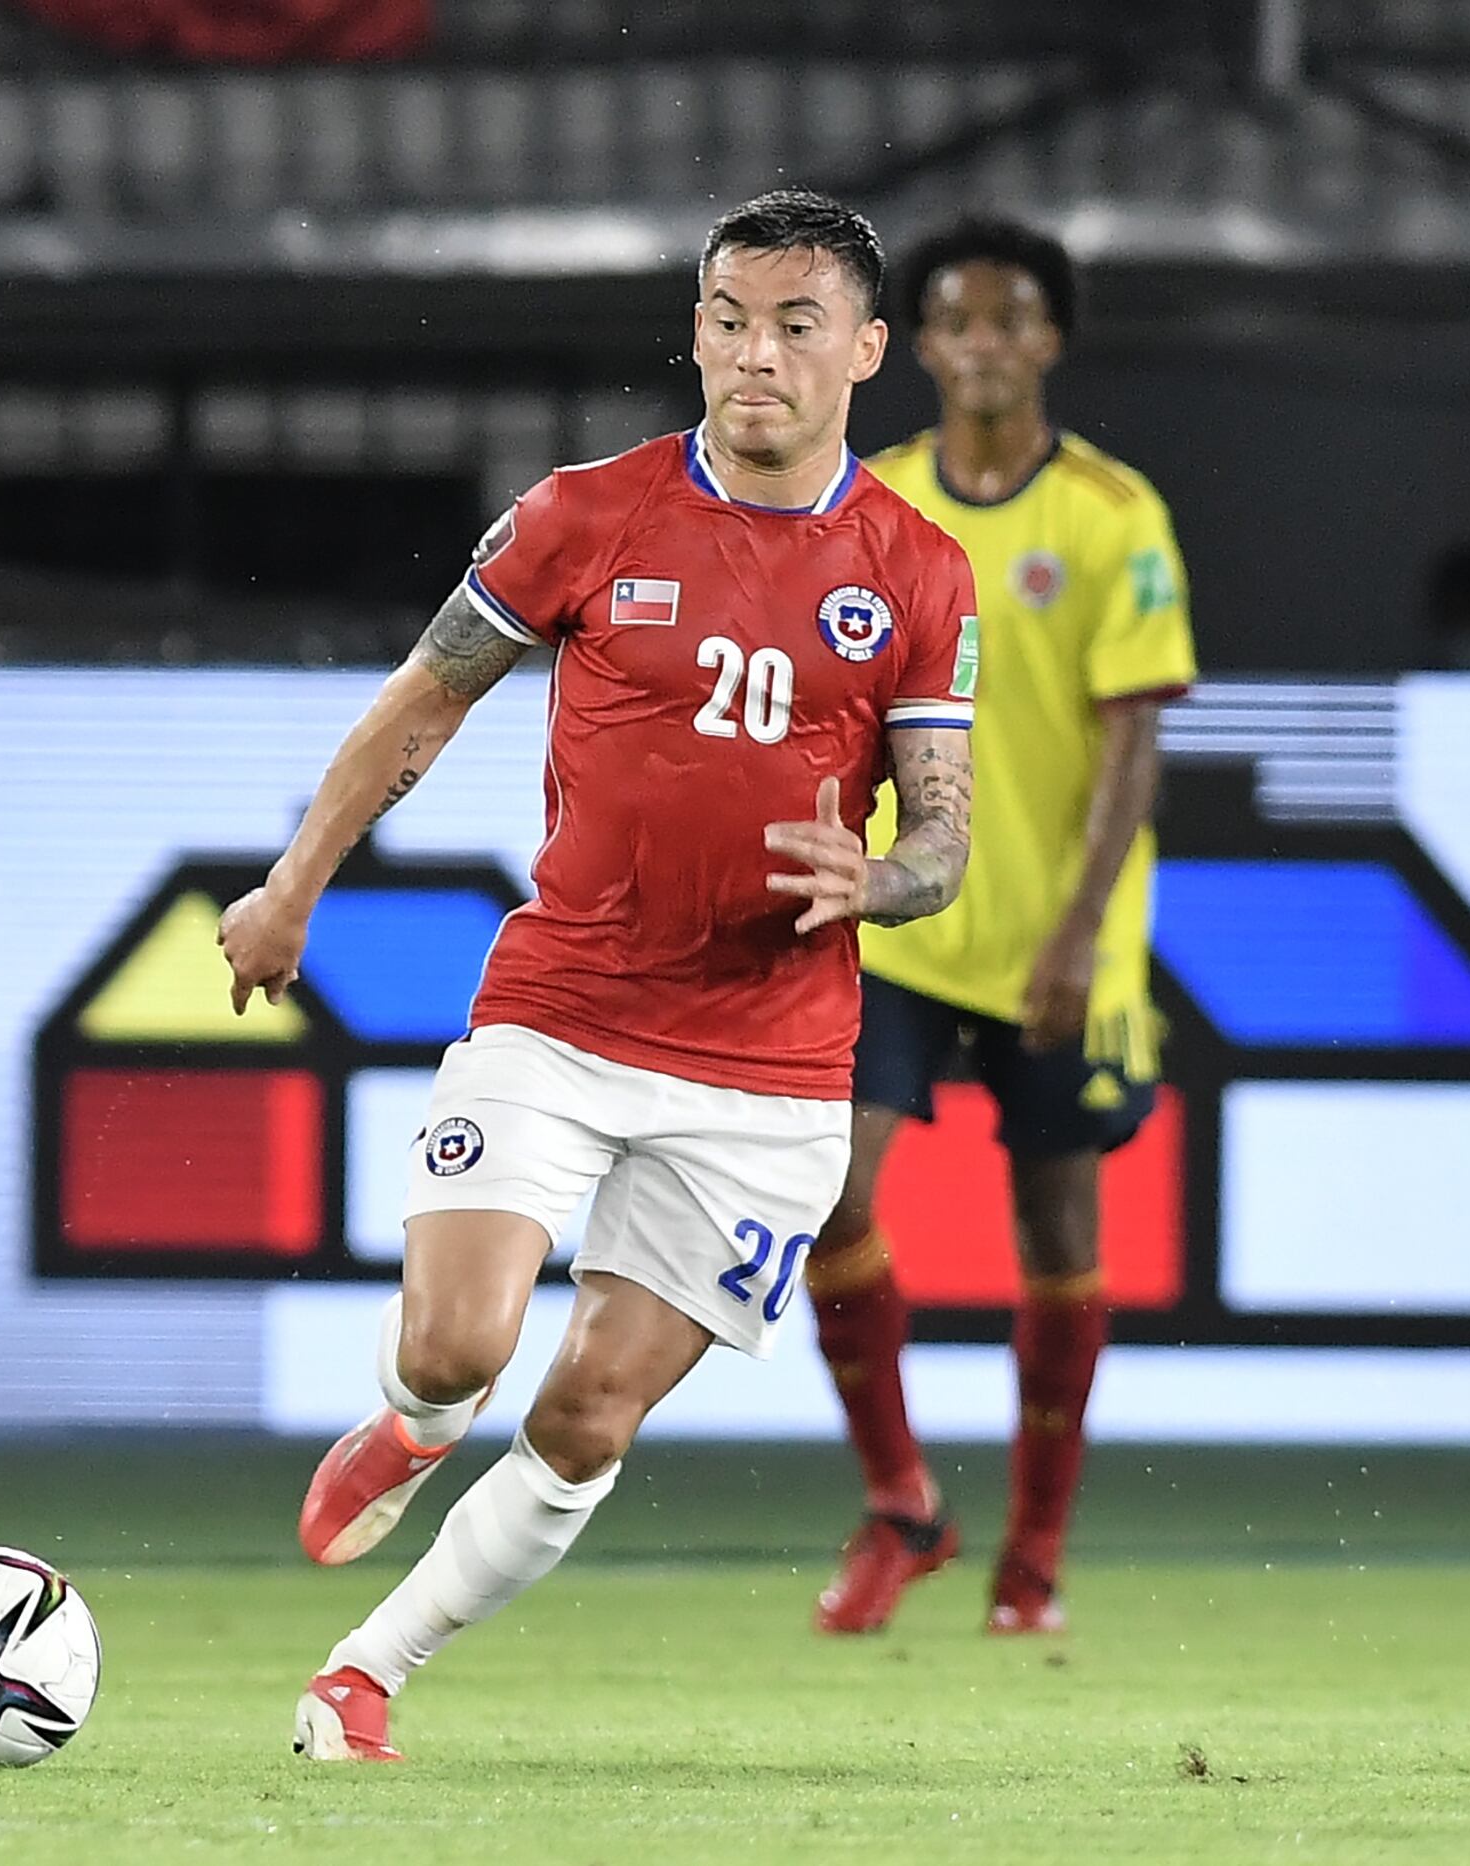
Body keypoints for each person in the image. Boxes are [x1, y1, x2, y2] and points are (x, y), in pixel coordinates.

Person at [219, 189, 978, 1763]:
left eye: (793, 324)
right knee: (457, 1349)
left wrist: (880, 877)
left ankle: (366, 1671)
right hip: (564, 1009)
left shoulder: (919, 572)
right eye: (725, 318)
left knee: (584, 1417)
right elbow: (421, 703)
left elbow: (947, 839)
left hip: (770, 1075)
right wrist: (295, 887)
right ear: (695, 327)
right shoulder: (583, 513)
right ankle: (416, 1428)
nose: (752, 354)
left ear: (868, 349)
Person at [805, 217, 1195, 1637]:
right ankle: (903, 1501)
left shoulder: (1110, 513)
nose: (981, 342)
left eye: (1010, 319)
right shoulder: (869, 502)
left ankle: (1031, 1559)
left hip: (1054, 937)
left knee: (1057, 1226)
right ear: (917, 345)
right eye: (955, 320)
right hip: (900, 917)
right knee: (827, 1198)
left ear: (1050, 342)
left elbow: (1136, 739)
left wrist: (1082, 933)